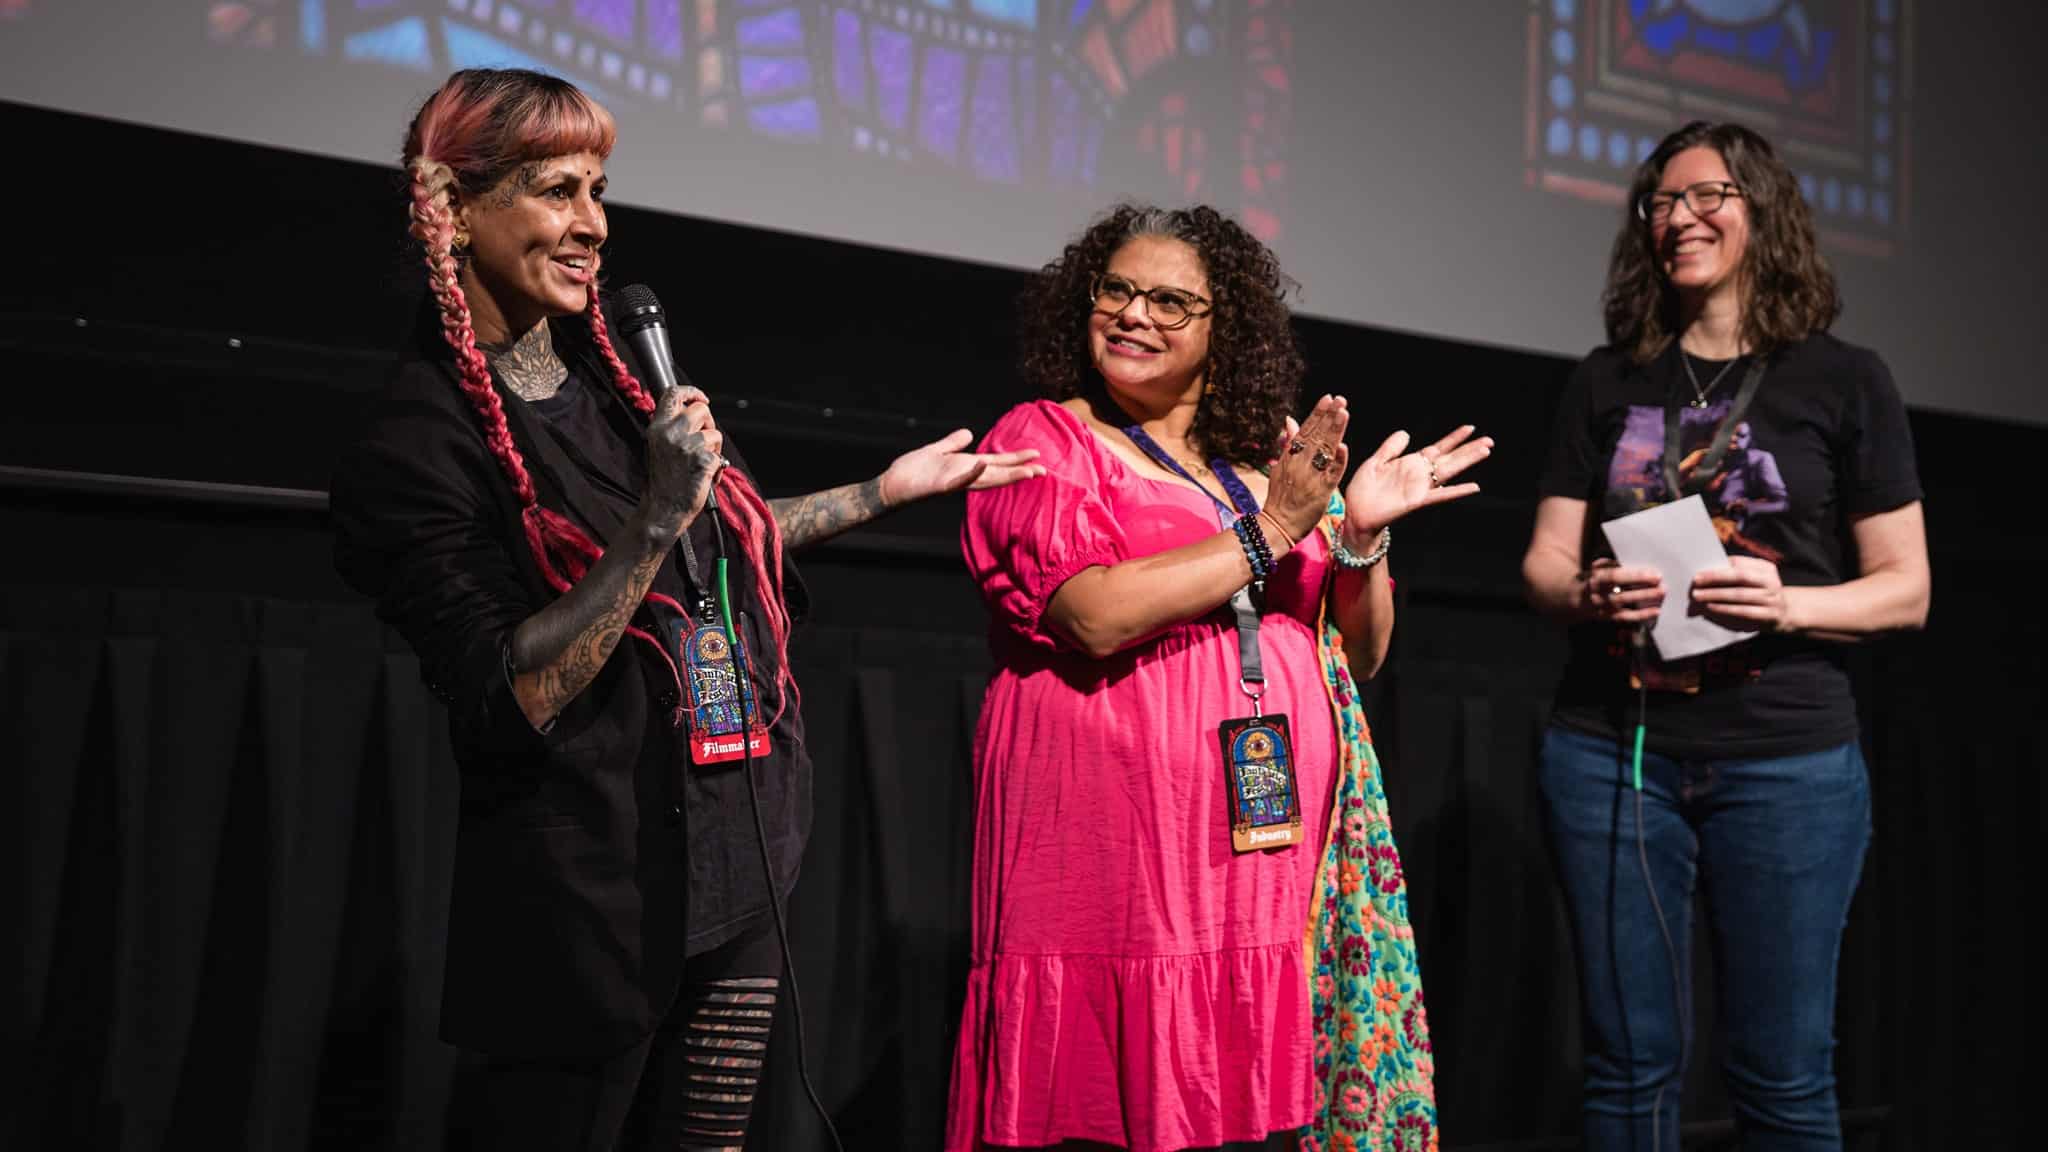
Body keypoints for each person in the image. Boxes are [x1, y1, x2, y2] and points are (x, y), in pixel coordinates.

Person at [327, 68, 1040, 1151]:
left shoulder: (615, 381)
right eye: (557, 191)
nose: (593, 225)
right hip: (586, 905)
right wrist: (656, 515)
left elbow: (722, 532)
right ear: (456, 208)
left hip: (732, 864)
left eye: (599, 191)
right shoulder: (417, 441)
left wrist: (878, 493)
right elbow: (513, 688)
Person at [945, 204, 1492, 1152]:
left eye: (1170, 301)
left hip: (1257, 850)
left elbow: (1358, 656)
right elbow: (1091, 614)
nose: (1133, 313)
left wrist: (1359, 536)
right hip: (1115, 841)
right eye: (1116, 290)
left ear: (1221, 330)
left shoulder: (1260, 467)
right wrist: (1274, 530)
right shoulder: (1046, 439)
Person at [1521, 121, 1930, 1151]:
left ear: (1762, 211)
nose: (1680, 218)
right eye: (1661, 201)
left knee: (1783, 1074)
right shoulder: (1606, 379)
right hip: (1612, 755)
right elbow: (1542, 565)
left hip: (1786, 763)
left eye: (1707, 196)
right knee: (1627, 1070)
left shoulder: (1843, 380)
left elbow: (1905, 590)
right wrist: (1589, 592)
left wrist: (1785, 602)